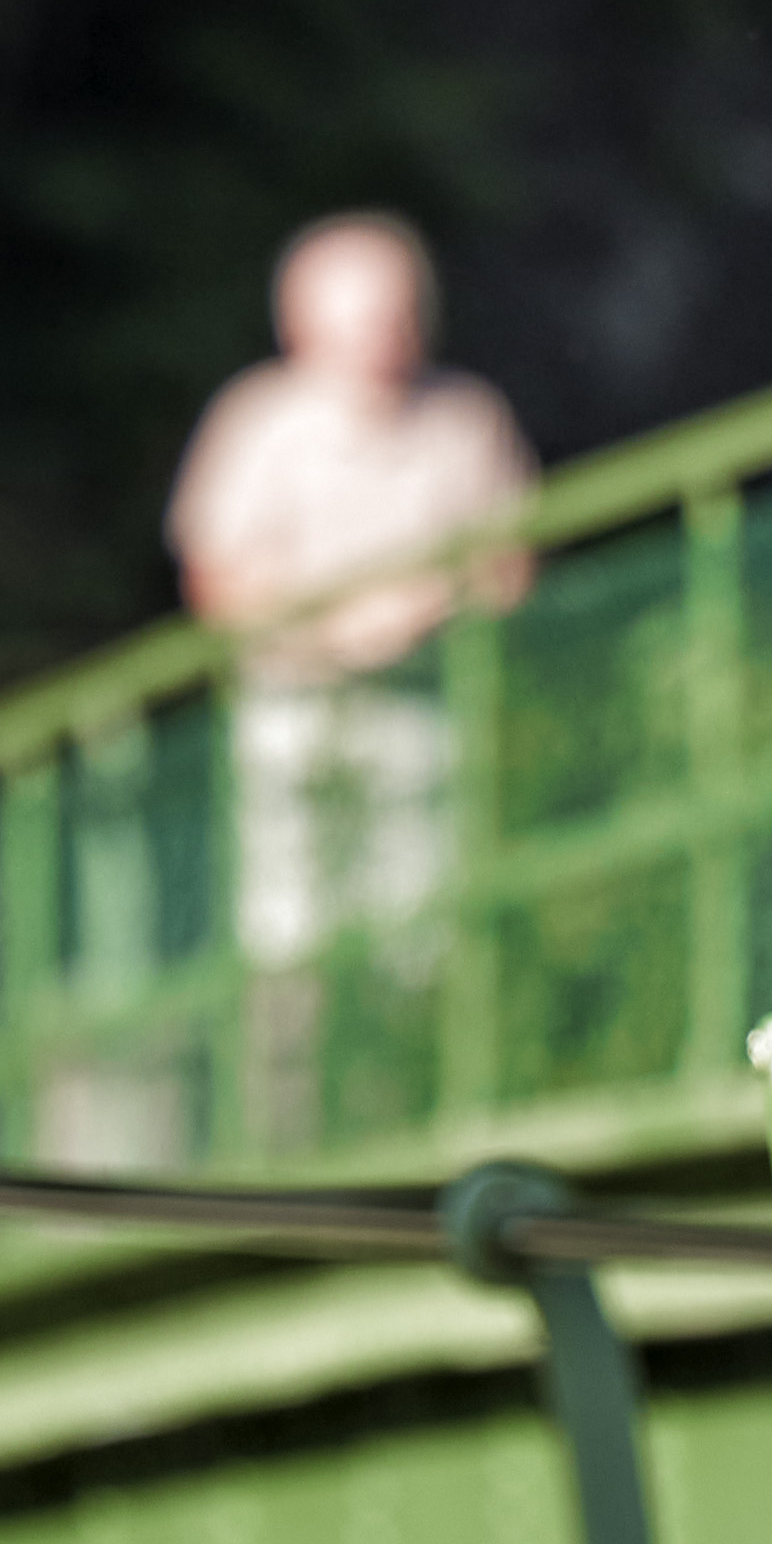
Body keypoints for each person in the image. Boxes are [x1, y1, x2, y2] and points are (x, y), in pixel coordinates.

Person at [165, 211, 533, 1133]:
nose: (384, 338)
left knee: (423, 935)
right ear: (304, 325)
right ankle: (285, 1136)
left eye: (397, 315)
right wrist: (334, 629)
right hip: (295, 712)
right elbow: (216, 579)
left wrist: (422, 613)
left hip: (424, 715)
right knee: (289, 943)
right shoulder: (261, 422)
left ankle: (415, 1115)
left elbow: (510, 564)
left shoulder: (465, 419)